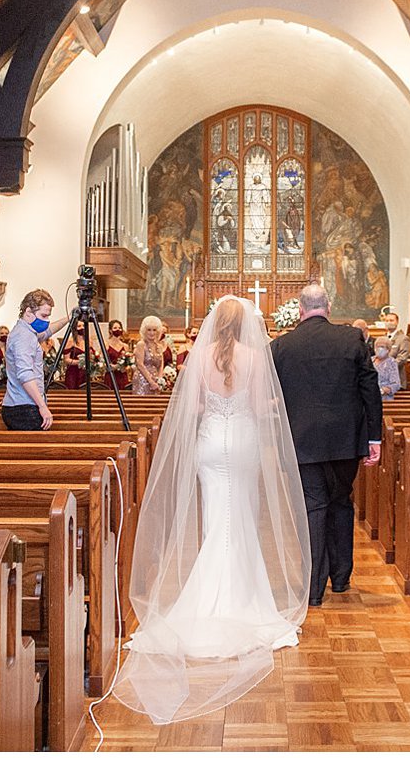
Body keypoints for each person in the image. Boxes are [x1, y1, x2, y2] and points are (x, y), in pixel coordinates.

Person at [112, 296, 310, 725]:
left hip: (209, 445)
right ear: (245, 327)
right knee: (239, 517)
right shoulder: (256, 359)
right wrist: (274, 405)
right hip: (241, 442)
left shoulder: (197, 359)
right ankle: (242, 595)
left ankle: (203, 600)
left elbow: (193, 408)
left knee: (215, 520)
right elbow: (259, 409)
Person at [270, 284, 383, 606]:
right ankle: (341, 578)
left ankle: (314, 588)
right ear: (328, 307)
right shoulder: (351, 339)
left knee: (314, 507)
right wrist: (374, 438)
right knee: (341, 501)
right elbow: (370, 390)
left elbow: (272, 397)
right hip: (346, 440)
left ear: (301, 309)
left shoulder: (281, 346)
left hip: (301, 441)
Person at [0, 289, 69, 430]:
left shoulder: (26, 331)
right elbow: (25, 375)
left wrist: (69, 318)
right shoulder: (23, 336)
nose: (46, 320)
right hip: (23, 407)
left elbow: (47, 331)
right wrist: (42, 406)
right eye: (43, 316)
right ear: (28, 312)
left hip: (22, 404)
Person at [133, 315, 167, 395]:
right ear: (144, 331)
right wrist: (151, 382)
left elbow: (161, 364)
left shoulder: (159, 346)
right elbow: (140, 365)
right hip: (143, 380)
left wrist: (159, 379)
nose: (152, 333)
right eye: (149, 330)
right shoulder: (141, 344)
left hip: (156, 380)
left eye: (154, 330)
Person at [104, 320, 132, 390]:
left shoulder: (125, 346)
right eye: (115, 328)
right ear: (110, 330)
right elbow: (101, 361)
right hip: (110, 375)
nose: (118, 330)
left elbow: (129, 363)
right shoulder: (106, 344)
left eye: (119, 328)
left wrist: (125, 367)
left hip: (122, 376)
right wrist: (109, 366)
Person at [373, 335, 401, 400]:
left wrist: (383, 390)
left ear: (388, 349)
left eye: (382, 347)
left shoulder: (392, 362)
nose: (379, 349)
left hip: (385, 398)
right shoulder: (370, 361)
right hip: (369, 397)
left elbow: (396, 384)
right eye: (377, 347)